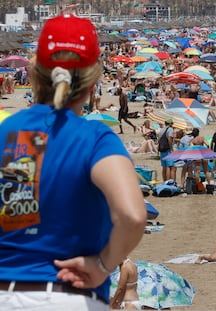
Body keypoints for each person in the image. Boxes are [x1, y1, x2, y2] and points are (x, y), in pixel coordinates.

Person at [0, 14, 147, 310]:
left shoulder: (6, 133)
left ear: (33, 72)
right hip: (69, 295)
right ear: (93, 83)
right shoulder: (94, 138)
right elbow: (132, 217)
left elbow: (18, 208)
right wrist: (104, 264)